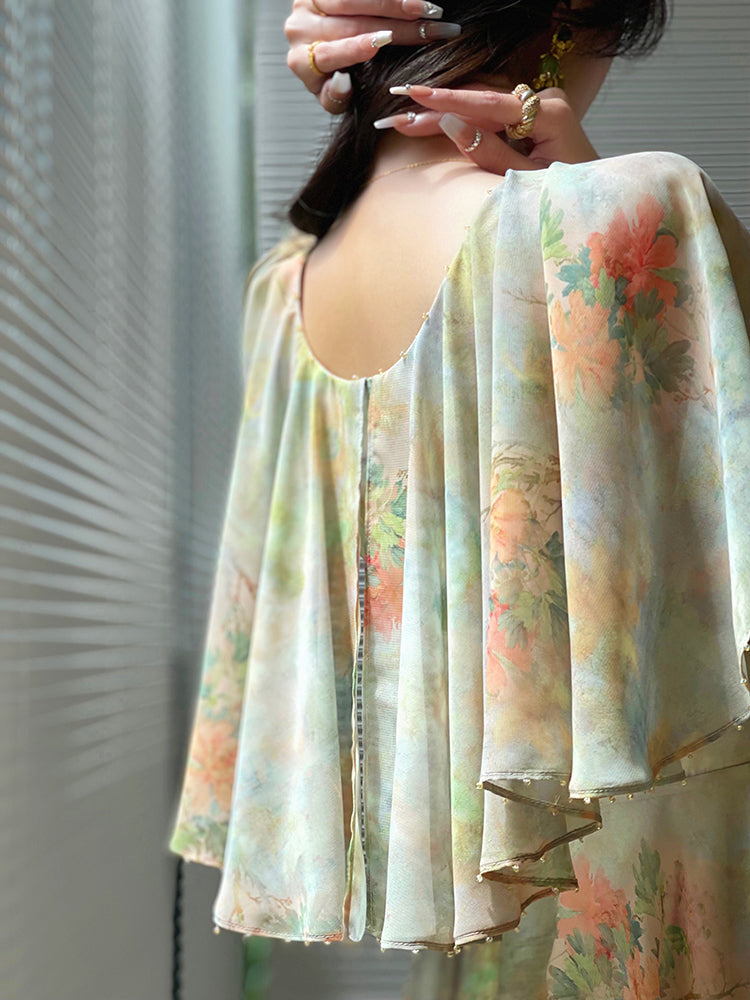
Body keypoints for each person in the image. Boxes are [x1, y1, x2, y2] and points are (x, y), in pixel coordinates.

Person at [168, 2, 750, 998]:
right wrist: (618, 209)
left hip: (505, 929)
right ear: (568, 23)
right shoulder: (636, 210)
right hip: (670, 900)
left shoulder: (282, 291)